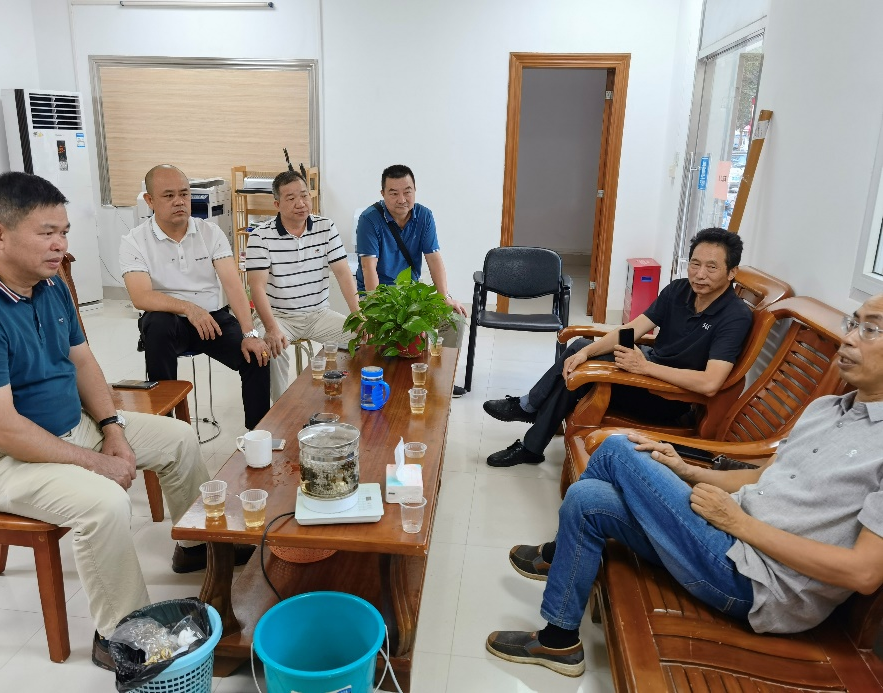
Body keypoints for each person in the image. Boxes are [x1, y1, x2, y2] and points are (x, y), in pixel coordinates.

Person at [485, 293, 883, 678]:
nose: (849, 338)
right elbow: (761, 477)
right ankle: (558, 640)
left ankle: (559, 555)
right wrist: (686, 470)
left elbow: (864, 573)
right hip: (724, 534)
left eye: (870, 329)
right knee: (587, 499)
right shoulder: (825, 409)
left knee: (617, 448)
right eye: (853, 323)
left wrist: (740, 524)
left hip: (758, 582)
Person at [0, 172, 247, 671]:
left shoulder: (49, 284)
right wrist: (96, 462)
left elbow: (83, 361)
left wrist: (112, 429)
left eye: (64, 231)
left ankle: (195, 548)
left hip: (73, 427)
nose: (61, 245)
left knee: (178, 439)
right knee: (104, 503)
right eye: (47, 233)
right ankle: (120, 636)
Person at [483, 228, 752, 467]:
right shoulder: (679, 290)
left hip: (666, 395)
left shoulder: (735, 316)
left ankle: (529, 414)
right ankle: (531, 423)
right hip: (646, 367)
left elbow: (710, 383)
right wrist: (586, 352)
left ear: (732, 273)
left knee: (583, 376)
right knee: (581, 349)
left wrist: (645, 367)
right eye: (695, 264)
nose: (700, 274)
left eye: (711, 267)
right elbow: (631, 330)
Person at [120, 165, 271, 430]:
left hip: (212, 319)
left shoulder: (210, 232)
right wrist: (189, 308)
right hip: (168, 323)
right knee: (157, 325)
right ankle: (166, 430)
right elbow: (140, 297)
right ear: (149, 200)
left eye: (184, 194)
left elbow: (234, 285)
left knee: (257, 355)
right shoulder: (134, 241)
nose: (179, 201)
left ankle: (258, 434)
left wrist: (250, 334)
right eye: (169, 196)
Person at [246, 170, 360, 402]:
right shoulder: (260, 236)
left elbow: (343, 274)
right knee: (272, 349)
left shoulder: (325, 227)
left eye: (304, 195)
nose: (301, 203)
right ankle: (280, 411)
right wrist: (271, 328)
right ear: (277, 204)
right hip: (279, 317)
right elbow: (256, 287)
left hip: (318, 314)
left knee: (363, 338)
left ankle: (348, 399)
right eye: (291, 198)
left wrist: (358, 316)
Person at [356, 164, 468, 396]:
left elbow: (434, 259)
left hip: (410, 296)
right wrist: (376, 308)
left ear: (415, 190)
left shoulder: (424, 216)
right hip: (381, 296)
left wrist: (444, 297)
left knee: (454, 319)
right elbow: (369, 268)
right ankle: (391, 381)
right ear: (383, 194)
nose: (402, 199)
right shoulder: (369, 219)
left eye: (407, 191)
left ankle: (442, 379)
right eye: (393, 193)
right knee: (387, 343)